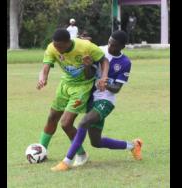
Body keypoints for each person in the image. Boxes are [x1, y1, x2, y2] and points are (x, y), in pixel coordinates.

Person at [51, 30, 143, 172]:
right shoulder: (99, 50)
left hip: (106, 100)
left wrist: (105, 83)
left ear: (122, 47)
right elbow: (88, 76)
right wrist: (87, 65)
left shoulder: (125, 62)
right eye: (109, 43)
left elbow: (117, 88)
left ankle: (66, 162)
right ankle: (133, 145)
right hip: (91, 98)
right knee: (96, 142)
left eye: (114, 45)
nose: (110, 47)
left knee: (83, 122)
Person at [37, 28, 109, 166]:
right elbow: (45, 66)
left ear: (67, 42)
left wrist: (104, 76)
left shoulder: (85, 46)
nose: (57, 50)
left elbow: (104, 60)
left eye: (60, 47)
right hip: (65, 85)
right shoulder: (52, 47)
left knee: (65, 123)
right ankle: (41, 150)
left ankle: (81, 154)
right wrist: (43, 78)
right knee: (52, 117)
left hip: (82, 87)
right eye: (55, 46)